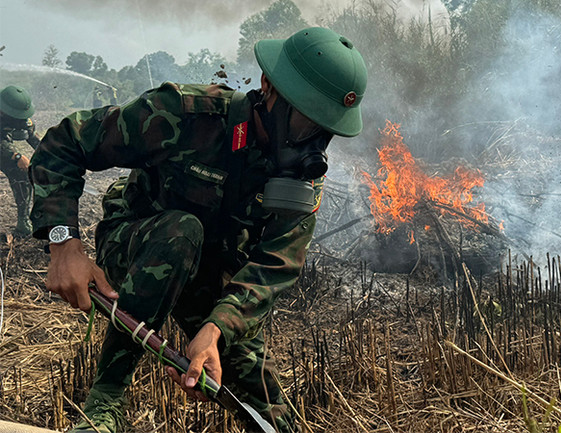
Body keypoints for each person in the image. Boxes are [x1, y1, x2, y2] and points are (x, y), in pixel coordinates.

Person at [29, 27, 367, 433]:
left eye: (325, 130)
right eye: (305, 122)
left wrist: (216, 329)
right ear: (268, 87)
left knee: (275, 419)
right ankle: (105, 403)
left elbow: (274, 265)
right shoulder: (186, 115)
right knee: (181, 231)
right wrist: (64, 246)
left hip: (212, 276)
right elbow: (65, 143)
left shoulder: (302, 179)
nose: (313, 143)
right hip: (139, 245)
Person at [0, 85, 41, 237]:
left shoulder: (20, 119)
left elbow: (32, 137)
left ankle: (23, 221)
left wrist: (49, 156)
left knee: (21, 173)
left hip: (3, 148)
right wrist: (16, 156)